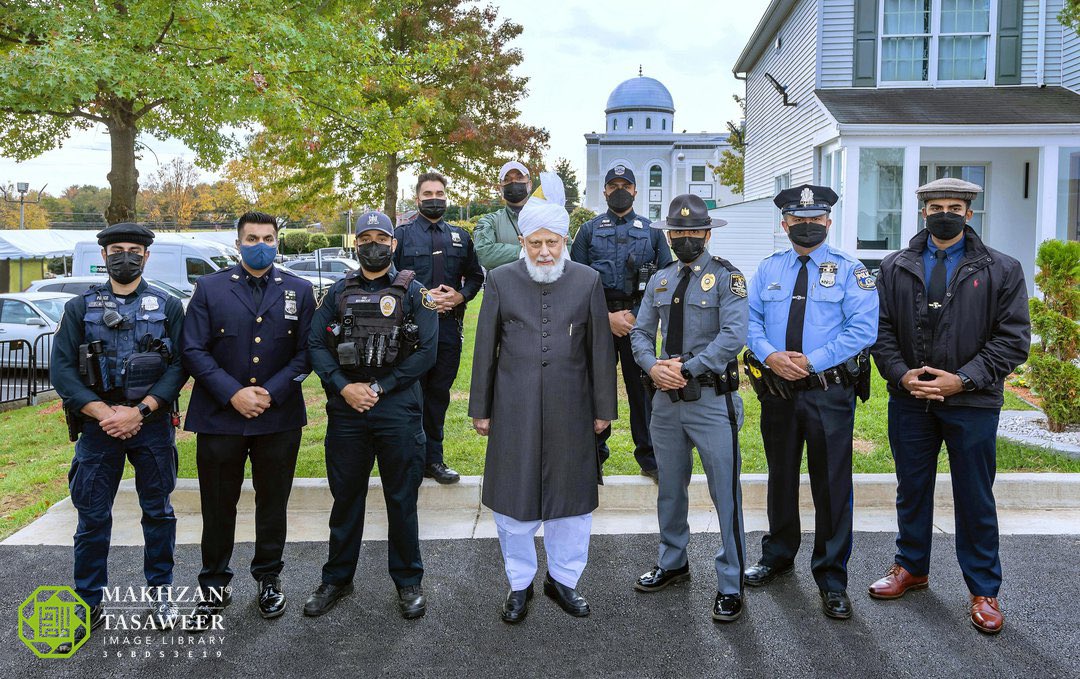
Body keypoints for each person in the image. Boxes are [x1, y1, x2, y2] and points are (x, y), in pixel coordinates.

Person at [869, 177, 1030, 635]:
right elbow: (879, 332)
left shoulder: (1002, 268)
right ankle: (911, 568)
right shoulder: (894, 266)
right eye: (936, 206)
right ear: (923, 212)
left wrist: (962, 380)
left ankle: (983, 590)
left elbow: (1013, 341)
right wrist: (902, 375)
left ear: (969, 213)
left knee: (975, 497)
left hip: (973, 403)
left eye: (954, 207)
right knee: (911, 488)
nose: (946, 213)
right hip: (910, 400)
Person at [469, 173, 617, 623]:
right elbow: (484, 348)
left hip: (573, 408)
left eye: (551, 242)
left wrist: (603, 410)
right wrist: (481, 407)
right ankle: (519, 584)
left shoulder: (588, 280)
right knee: (513, 501)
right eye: (535, 243)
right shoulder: (500, 279)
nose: (544, 252)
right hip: (512, 407)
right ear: (522, 240)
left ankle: (565, 581)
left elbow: (600, 351)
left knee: (571, 502)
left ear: (564, 240)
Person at [742, 184, 879, 621]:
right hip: (778, 391)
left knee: (832, 485)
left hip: (828, 391)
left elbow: (862, 329)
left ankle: (832, 577)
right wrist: (771, 356)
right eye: (797, 220)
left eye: (814, 219)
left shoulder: (850, 270)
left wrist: (812, 361)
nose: (806, 226)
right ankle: (778, 556)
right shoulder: (768, 269)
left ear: (828, 222)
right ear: (785, 224)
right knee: (780, 475)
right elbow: (750, 320)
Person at [50, 222, 186, 650]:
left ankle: (161, 595)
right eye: (116, 250)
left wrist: (141, 411)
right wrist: (104, 412)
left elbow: (181, 366)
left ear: (146, 256)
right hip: (98, 427)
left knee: (159, 513)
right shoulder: (79, 308)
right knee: (92, 519)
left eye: (133, 250)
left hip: (151, 426)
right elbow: (63, 371)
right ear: (103, 256)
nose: (124, 256)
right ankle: (89, 603)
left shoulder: (168, 305)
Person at [179, 211, 315, 631]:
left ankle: (269, 578)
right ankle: (214, 585)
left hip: (278, 418)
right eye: (253, 237)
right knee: (218, 507)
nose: (262, 244)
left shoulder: (299, 289)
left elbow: (307, 352)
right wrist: (233, 392)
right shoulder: (210, 287)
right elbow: (193, 349)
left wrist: (270, 392)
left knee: (272, 505)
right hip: (220, 417)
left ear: (278, 242)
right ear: (238, 243)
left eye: (269, 238)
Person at [304, 210, 438, 620]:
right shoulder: (338, 291)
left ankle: (408, 581)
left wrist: (379, 387)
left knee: (401, 498)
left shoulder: (415, 292)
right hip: (347, 408)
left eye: (382, 238)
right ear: (355, 244)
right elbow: (315, 344)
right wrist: (344, 386)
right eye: (366, 239)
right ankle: (337, 579)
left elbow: (427, 352)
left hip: (395, 405)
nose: (374, 245)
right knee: (346, 498)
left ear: (393, 244)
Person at [630, 194, 748, 622]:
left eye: (692, 232)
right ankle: (673, 561)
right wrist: (652, 366)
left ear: (706, 234)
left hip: (712, 401)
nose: (684, 238)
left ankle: (731, 582)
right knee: (670, 488)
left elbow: (734, 336)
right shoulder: (660, 279)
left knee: (725, 494)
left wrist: (688, 368)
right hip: (666, 401)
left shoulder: (727, 278)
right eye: (677, 233)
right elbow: (640, 333)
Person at [571, 165, 671, 481]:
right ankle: (593, 457)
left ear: (635, 191)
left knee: (643, 389)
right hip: (599, 319)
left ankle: (650, 456)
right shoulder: (588, 230)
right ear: (604, 191)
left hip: (637, 320)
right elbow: (576, 279)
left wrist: (637, 316)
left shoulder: (653, 230)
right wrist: (605, 316)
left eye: (625, 185)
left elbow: (666, 277)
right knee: (595, 387)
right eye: (612, 185)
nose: (619, 190)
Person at [394, 172, 485, 484]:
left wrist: (459, 296)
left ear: (446, 197)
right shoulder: (401, 235)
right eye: (428, 193)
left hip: (447, 332)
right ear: (417, 198)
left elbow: (476, 276)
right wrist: (423, 297)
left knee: (437, 396)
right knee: (408, 395)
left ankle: (434, 460)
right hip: (409, 332)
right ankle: (409, 462)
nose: (434, 198)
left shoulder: (460, 236)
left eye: (439, 193)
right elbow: (387, 279)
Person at [473, 160, 531, 269]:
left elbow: (565, 247)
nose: (513, 182)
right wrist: (529, 250)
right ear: (501, 189)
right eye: (507, 180)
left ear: (530, 184)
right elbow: (484, 254)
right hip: (504, 286)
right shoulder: (489, 221)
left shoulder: (548, 216)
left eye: (519, 178)